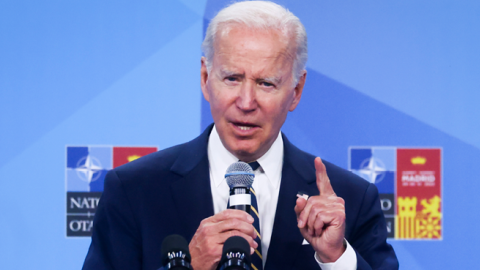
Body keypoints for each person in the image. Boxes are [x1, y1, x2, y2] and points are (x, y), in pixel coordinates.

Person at [83, 1, 398, 269]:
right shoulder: (134, 191)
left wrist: (336, 258)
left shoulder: (352, 200)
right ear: (206, 78)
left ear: (297, 90)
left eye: (266, 84)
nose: (246, 103)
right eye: (232, 78)